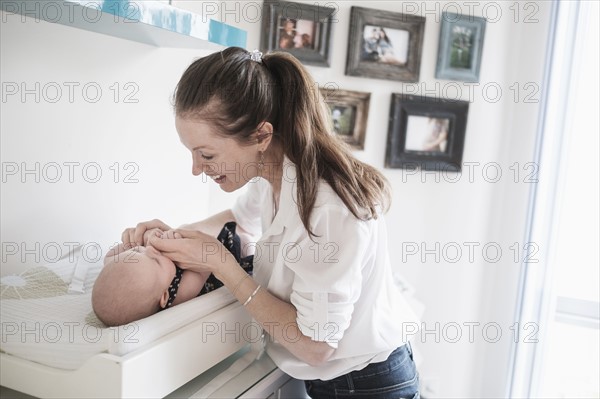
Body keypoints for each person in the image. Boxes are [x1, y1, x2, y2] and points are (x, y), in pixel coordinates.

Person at [122, 47, 420, 398]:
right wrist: (167, 236)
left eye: (206, 154)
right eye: (192, 153)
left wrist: (223, 266)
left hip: (367, 384)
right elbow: (236, 219)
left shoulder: (328, 210)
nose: (196, 169)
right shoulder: (273, 174)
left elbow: (316, 345)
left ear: (262, 136)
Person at [92, 222, 252, 326]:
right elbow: (205, 267)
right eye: (156, 261)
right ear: (164, 297)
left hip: (196, 257)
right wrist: (178, 239)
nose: (151, 249)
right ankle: (246, 248)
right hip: (211, 266)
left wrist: (135, 241)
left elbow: (109, 258)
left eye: (138, 252)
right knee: (237, 244)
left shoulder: (149, 273)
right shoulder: (179, 293)